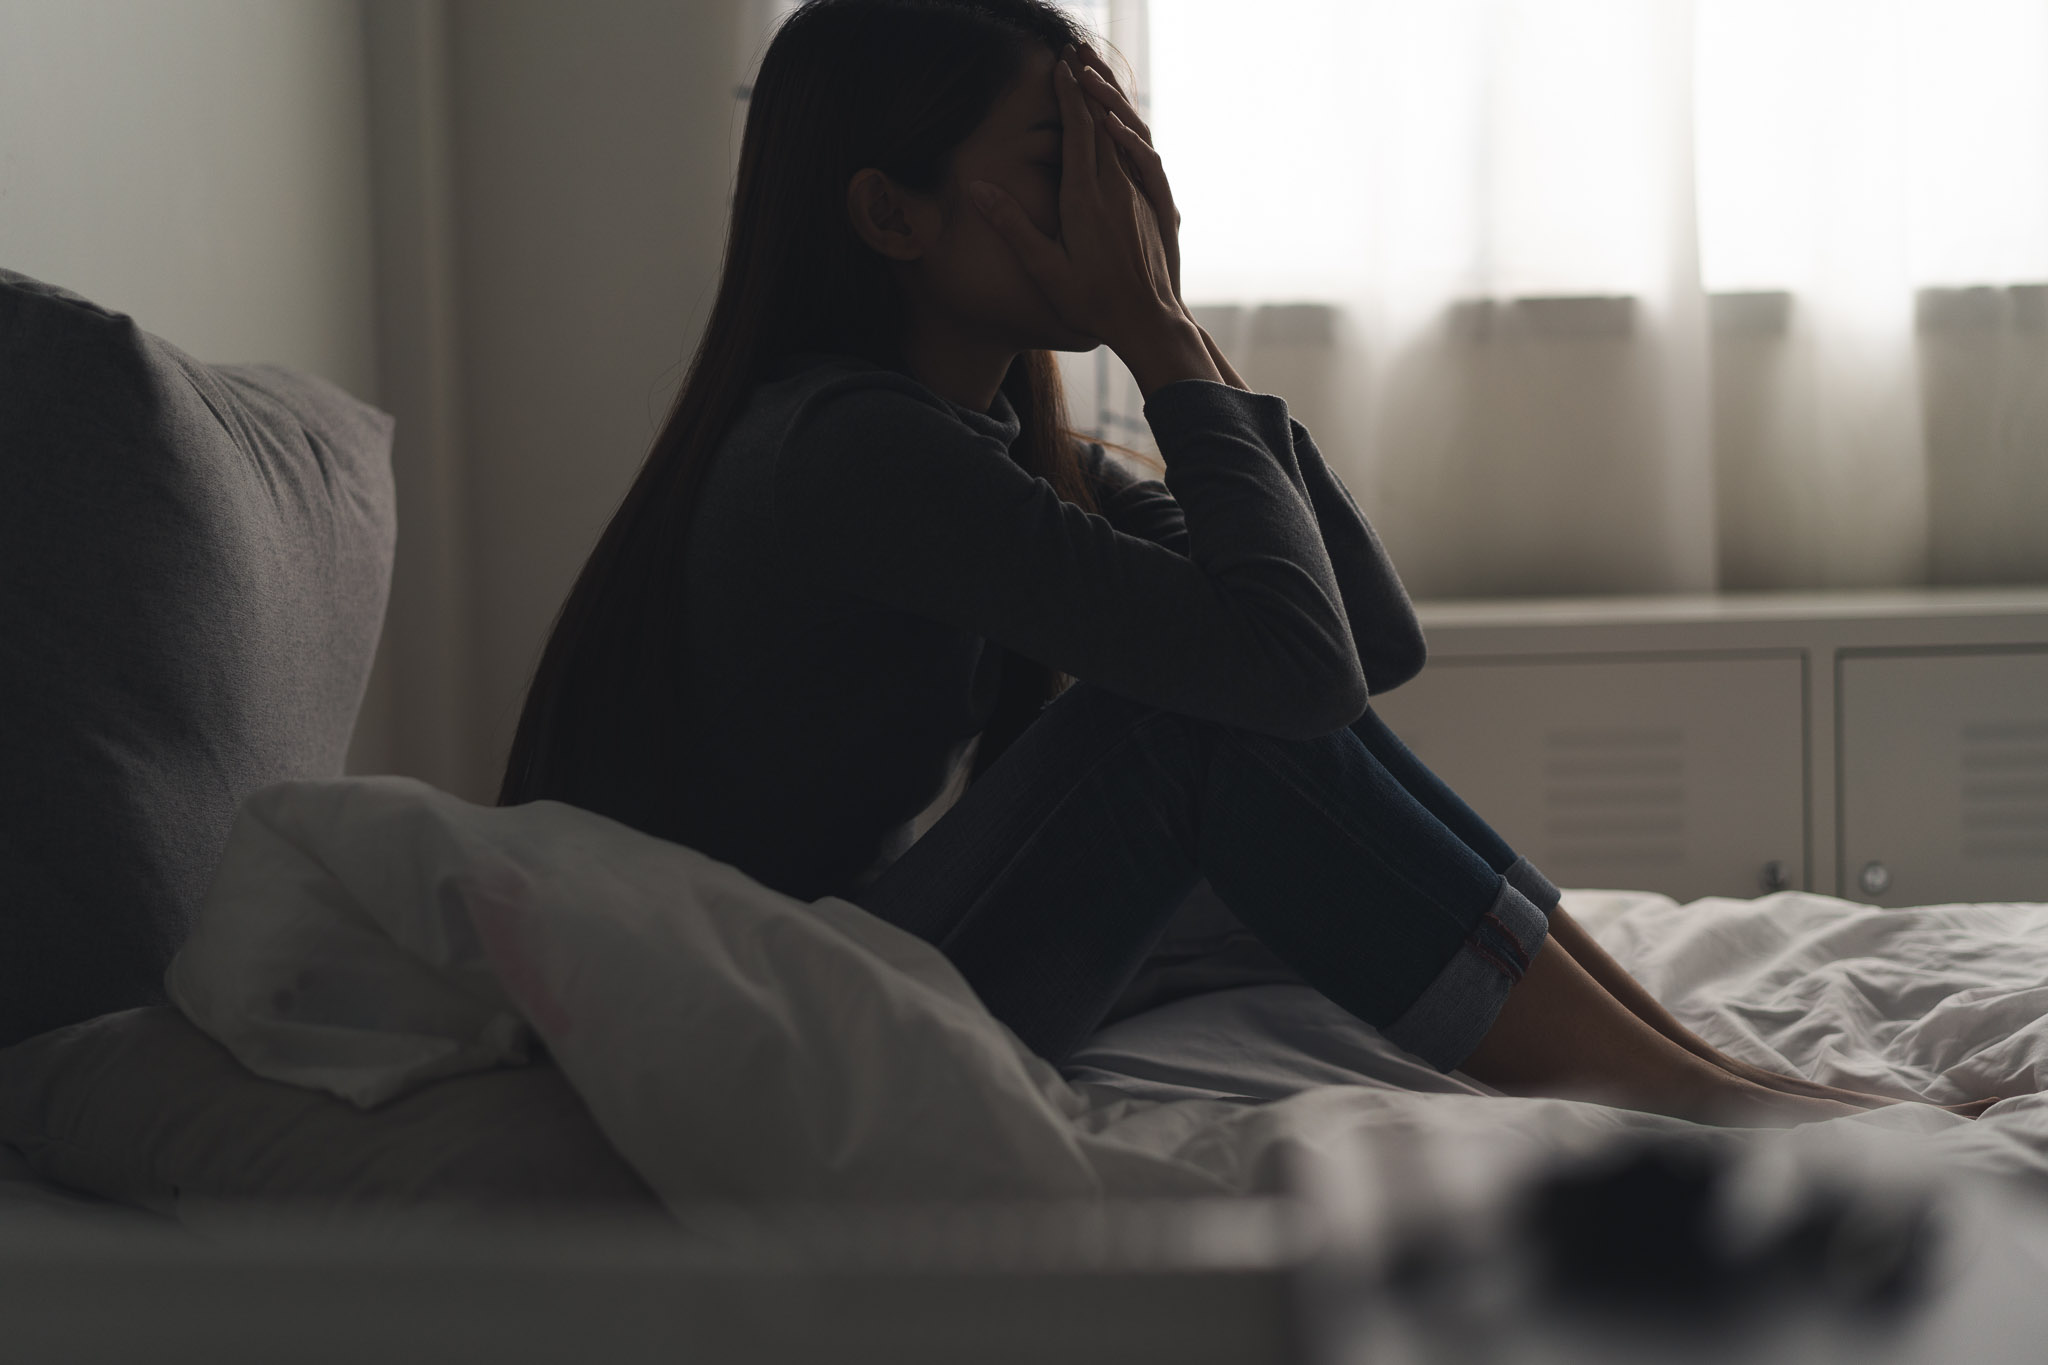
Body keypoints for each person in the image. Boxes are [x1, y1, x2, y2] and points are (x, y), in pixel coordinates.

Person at [499, 0, 1989, 1126]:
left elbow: (1358, 645)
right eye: (1064, 162)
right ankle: (1701, 1107)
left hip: (845, 964)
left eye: (1120, 162)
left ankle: (1704, 1072)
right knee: (1188, 727)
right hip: (780, 1035)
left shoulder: (985, 444)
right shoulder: (848, 452)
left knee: (1236, 717)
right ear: (892, 213)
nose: (1117, 206)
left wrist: (1180, 325)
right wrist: (1150, 335)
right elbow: (1286, 676)